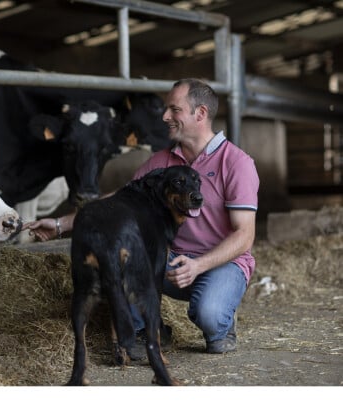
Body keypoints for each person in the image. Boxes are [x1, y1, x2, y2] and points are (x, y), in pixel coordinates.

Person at [23, 78, 259, 354]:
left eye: (174, 109)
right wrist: (61, 224)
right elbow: (118, 200)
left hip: (222, 263)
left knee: (210, 318)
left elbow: (244, 236)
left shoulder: (236, 162)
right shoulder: (161, 161)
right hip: (172, 262)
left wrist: (198, 266)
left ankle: (222, 322)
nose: (164, 116)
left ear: (201, 113)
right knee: (122, 253)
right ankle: (144, 330)